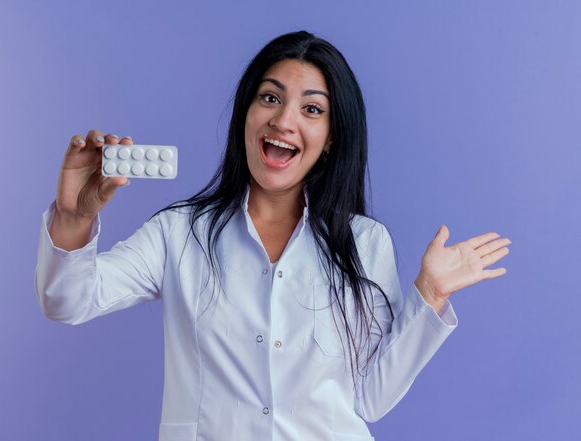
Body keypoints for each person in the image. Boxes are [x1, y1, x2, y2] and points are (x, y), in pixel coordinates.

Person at [35, 31, 511, 441]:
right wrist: (74, 217)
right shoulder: (179, 232)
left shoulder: (364, 243)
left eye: (311, 108)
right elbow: (68, 301)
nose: (284, 120)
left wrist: (428, 295)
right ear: (246, 113)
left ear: (331, 139)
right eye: (270, 97)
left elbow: (371, 397)